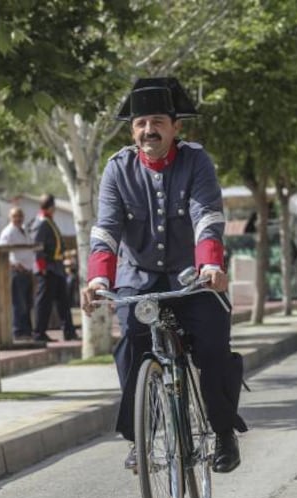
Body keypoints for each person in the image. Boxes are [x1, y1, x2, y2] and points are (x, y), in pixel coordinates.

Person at [82, 77, 246, 473]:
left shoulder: (196, 161)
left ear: (175, 127)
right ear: (132, 129)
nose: (148, 130)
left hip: (194, 278)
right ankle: (142, 438)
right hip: (138, 280)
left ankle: (223, 433)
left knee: (212, 346)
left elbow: (206, 215)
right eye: (140, 123)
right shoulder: (117, 168)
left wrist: (211, 265)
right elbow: (106, 228)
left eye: (157, 121)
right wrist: (97, 279)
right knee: (131, 351)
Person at [32, 194, 79, 342]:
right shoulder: (41, 222)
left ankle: (69, 331)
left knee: (64, 302)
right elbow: (37, 246)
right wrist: (42, 266)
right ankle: (39, 333)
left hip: (57, 267)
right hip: (48, 268)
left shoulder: (48, 220)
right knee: (44, 302)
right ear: (51, 206)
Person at [0, 207, 34, 341]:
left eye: (20, 216)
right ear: (10, 217)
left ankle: (27, 331)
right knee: (19, 303)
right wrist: (14, 264)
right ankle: (19, 332)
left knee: (28, 303)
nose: (18, 219)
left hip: (28, 271)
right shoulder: (8, 232)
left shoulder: (24, 230)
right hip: (17, 272)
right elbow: (2, 251)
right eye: (15, 216)